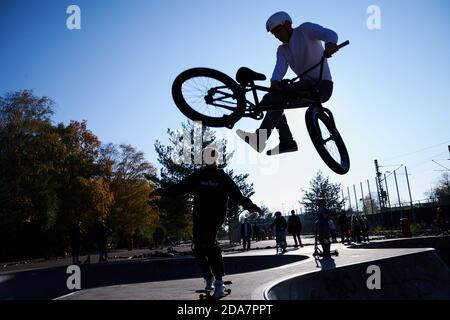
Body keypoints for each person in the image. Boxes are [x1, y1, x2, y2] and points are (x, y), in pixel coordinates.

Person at [151, 147, 261, 297]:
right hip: (199, 216)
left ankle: (219, 283)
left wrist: (252, 207)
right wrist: (161, 191)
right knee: (197, 248)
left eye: (211, 156)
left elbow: (237, 195)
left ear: (216, 158)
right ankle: (209, 277)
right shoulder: (199, 175)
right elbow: (180, 187)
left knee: (209, 244)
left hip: (215, 217)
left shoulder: (222, 177)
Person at [237, 11, 340, 155]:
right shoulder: (282, 50)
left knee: (278, 96)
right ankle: (286, 141)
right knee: (269, 99)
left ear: (288, 25)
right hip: (305, 86)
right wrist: (275, 82)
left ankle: (260, 138)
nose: (277, 36)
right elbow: (279, 68)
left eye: (278, 31)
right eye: (274, 34)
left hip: (322, 86)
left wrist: (330, 45)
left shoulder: (305, 30)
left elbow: (329, 33)